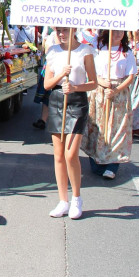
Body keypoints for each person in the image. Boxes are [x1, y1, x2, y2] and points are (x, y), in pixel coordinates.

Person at [42, 26, 97, 219]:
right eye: (58, 31)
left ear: (73, 30)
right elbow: (47, 84)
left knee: (70, 153)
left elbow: (94, 82)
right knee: (58, 155)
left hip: (77, 102)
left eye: (65, 30)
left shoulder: (85, 50)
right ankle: (62, 201)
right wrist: (60, 74)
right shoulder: (53, 51)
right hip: (57, 100)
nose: (61, 34)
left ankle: (76, 198)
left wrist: (75, 87)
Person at [83, 28, 136, 180]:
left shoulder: (127, 52)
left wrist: (115, 90)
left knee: (115, 130)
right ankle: (97, 162)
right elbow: (90, 70)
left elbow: (130, 76)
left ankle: (112, 164)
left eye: (122, 32)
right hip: (99, 92)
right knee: (97, 128)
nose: (119, 34)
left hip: (118, 95)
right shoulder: (98, 49)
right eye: (116, 31)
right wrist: (101, 82)